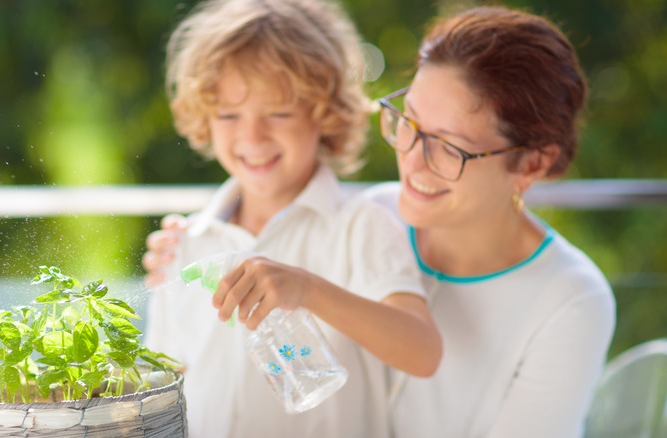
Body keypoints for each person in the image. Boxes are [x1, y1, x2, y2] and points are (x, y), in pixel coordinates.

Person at [143, 0, 442, 437]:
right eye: (229, 114)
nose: (252, 136)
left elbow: (422, 351)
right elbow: (164, 378)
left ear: (324, 113)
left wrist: (308, 289)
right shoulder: (186, 243)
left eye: (278, 112)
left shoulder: (359, 227)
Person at [365, 6, 615, 437]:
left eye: (449, 147)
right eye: (409, 121)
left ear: (533, 163)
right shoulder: (372, 218)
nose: (412, 160)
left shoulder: (571, 301)